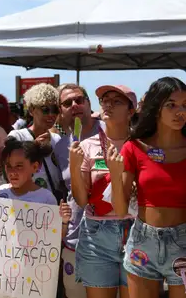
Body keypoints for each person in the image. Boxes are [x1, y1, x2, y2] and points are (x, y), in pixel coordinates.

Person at [109, 77, 186, 298]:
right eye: (171, 104)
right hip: (143, 241)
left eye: (185, 105)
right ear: (156, 107)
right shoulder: (134, 147)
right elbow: (121, 211)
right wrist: (115, 175)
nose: (180, 111)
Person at [69, 85, 137, 298]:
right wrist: (74, 165)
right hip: (96, 234)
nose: (108, 104)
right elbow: (81, 200)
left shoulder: (141, 146)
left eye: (117, 101)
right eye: (105, 100)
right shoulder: (87, 146)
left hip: (136, 232)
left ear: (131, 111)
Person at [0, 137, 71, 298]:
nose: (13, 172)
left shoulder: (45, 198)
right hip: (3, 276)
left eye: (19, 166)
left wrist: (63, 221)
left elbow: (53, 240)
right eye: (8, 166)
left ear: (35, 167)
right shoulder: (1, 192)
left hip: (32, 277)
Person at [53, 83, 104, 298]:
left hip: (107, 239)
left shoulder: (109, 132)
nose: (74, 105)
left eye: (79, 100)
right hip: (75, 239)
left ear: (88, 104)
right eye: (67, 103)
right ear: (60, 111)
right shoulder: (59, 145)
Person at [8, 83, 63, 201]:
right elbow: (6, 169)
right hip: (25, 205)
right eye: (45, 109)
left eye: (55, 110)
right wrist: (33, 148)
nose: (51, 115)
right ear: (32, 110)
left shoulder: (57, 139)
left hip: (52, 205)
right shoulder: (17, 136)